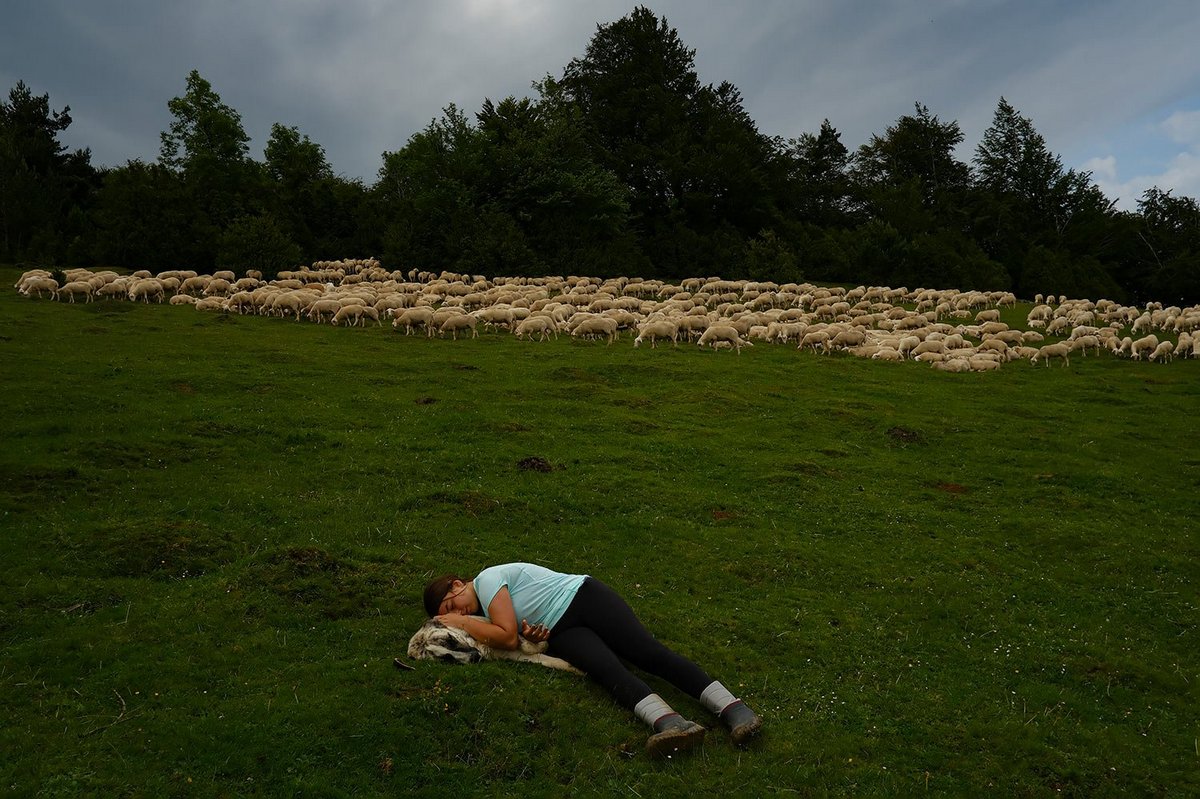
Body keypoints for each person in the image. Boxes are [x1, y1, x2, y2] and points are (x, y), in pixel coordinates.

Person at [423, 562, 761, 757]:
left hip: (584, 598)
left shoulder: (487, 579)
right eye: (449, 616)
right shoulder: (482, 614)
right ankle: (671, 725)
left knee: (647, 654)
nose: (457, 614)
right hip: (562, 631)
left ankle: (735, 711)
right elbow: (519, 636)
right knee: (606, 672)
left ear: (456, 585)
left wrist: (461, 622)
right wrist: (535, 637)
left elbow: (507, 636)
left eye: (451, 607)